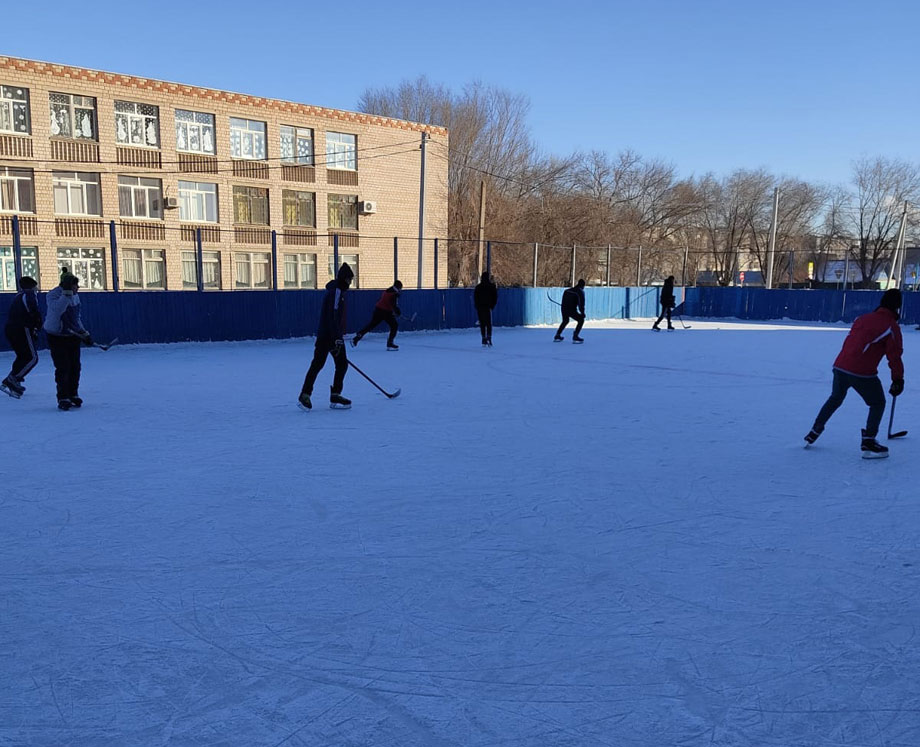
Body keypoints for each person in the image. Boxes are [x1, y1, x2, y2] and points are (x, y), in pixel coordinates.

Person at [804, 288, 904, 459]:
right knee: (878, 402)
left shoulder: (863, 319)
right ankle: (869, 441)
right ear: (897, 308)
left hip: (841, 365)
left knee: (835, 398)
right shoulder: (891, 327)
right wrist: (898, 380)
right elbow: (894, 356)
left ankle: (815, 430)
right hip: (861, 371)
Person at [299, 262, 355, 410]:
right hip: (329, 336)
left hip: (329, 335)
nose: (350, 282)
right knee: (327, 364)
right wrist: (336, 338)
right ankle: (307, 395)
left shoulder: (337, 292)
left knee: (335, 364)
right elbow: (333, 316)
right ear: (344, 279)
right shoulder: (336, 292)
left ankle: (331, 395)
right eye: (349, 279)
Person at [43, 270, 93, 411]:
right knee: (63, 367)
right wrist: (66, 294)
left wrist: (84, 333)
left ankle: (73, 394)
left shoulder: (76, 297)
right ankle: (63, 397)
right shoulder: (52, 295)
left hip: (72, 336)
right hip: (57, 336)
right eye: (75, 285)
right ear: (66, 286)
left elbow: (76, 317)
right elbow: (58, 310)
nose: (78, 288)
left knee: (75, 367)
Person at [2, 276, 42, 399]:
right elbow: (33, 311)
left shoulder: (18, 296)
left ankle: (14, 381)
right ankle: (13, 379)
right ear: (32, 286)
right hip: (22, 328)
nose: (37, 289)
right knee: (32, 358)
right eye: (36, 286)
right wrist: (37, 325)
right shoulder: (29, 295)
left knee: (22, 356)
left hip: (12, 329)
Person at [352, 280, 402, 350]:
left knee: (371, 325)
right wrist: (397, 312)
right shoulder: (394, 294)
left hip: (378, 310)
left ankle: (356, 338)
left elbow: (389, 303)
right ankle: (390, 343)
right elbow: (393, 304)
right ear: (398, 287)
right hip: (385, 312)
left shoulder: (388, 290)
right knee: (394, 326)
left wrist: (394, 312)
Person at [554, 279, 586, 343]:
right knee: (581, 320)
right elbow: (581, 304)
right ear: (583, 285)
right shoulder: (580, 292)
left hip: (563, 308)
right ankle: (575, 336)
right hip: (571, 310)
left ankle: (557, 335)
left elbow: (564, 300)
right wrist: (582, 313)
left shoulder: (567, 291)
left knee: (565, 321)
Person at [473, 271, 498, 346]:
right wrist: (492, 306)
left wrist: (477, 306)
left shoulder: (478, 287)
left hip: (480, 307)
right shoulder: (492, 286)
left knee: (482, 323)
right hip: (488, 307)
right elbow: (495, 297)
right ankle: (489, 338)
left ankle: (484, 338)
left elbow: (475, 298)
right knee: (488, 323)